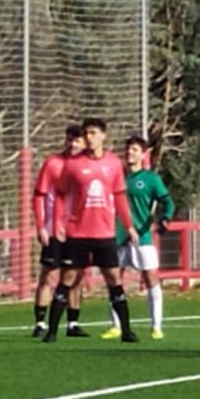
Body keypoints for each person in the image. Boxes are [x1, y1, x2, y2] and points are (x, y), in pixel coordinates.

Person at [42, 116, 137, 344]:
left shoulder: (113, 164)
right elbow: (61, 194)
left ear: (103, 136)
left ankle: (126, 330)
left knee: (113, 277)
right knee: (68, 277)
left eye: (93, 133)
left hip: (104, 232)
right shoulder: (73, 165)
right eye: (86, 134)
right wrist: (58, 223)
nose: (89, 138)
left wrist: (129, 225)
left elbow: (120, 196)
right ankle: (52, 330)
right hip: (78, 232)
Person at [102, 135, 175, 341]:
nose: (130, 153)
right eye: (128, 149)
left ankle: (156, 326)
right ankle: (115, 325)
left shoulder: (151, 179)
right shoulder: (117, 176)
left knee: (151, 278)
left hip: (142, 237)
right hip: (117, 236)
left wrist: (165, 219)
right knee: (114, 279)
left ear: (144, 155)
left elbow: (167, 201)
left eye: (135, 150)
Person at [32, 124, 87, 338]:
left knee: (76, 276)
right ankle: (40, 322)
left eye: (77, 140)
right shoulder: (53, 163)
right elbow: (39, 195)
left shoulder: (87, 166)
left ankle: (72, 323)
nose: (72, 144)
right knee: (48, 275)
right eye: (70, 140)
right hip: (54, 230)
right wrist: (40, 226)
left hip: (78, 231)